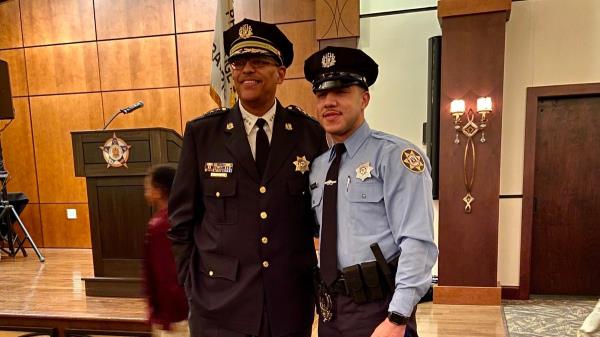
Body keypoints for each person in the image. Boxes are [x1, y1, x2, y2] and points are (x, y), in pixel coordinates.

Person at [168, 18, 328, 337]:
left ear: (280, 73)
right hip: (218, 301)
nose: (247, 70)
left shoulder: (309, 134)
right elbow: (181, 221)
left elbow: (321, 215)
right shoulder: (203, 134)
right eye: (239, 63)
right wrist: (190, 285)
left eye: (259, 62)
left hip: (289, 299)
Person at [304, 46, 438, 337]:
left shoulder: (395, 156)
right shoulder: (316, 167)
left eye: (340, 92)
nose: (329, 102)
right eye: (321, 94)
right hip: (330, 310)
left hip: (378, 308)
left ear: (364, 99)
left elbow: (417, 242)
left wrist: (398, 317)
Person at [143, 164, 189, 337]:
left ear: (160, 190)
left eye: (149, 187)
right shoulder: (183, 215)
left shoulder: (159, 225)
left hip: (173, 316)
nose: (146, 192)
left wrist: (167, 318)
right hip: (187, 308)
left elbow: (164, 274)